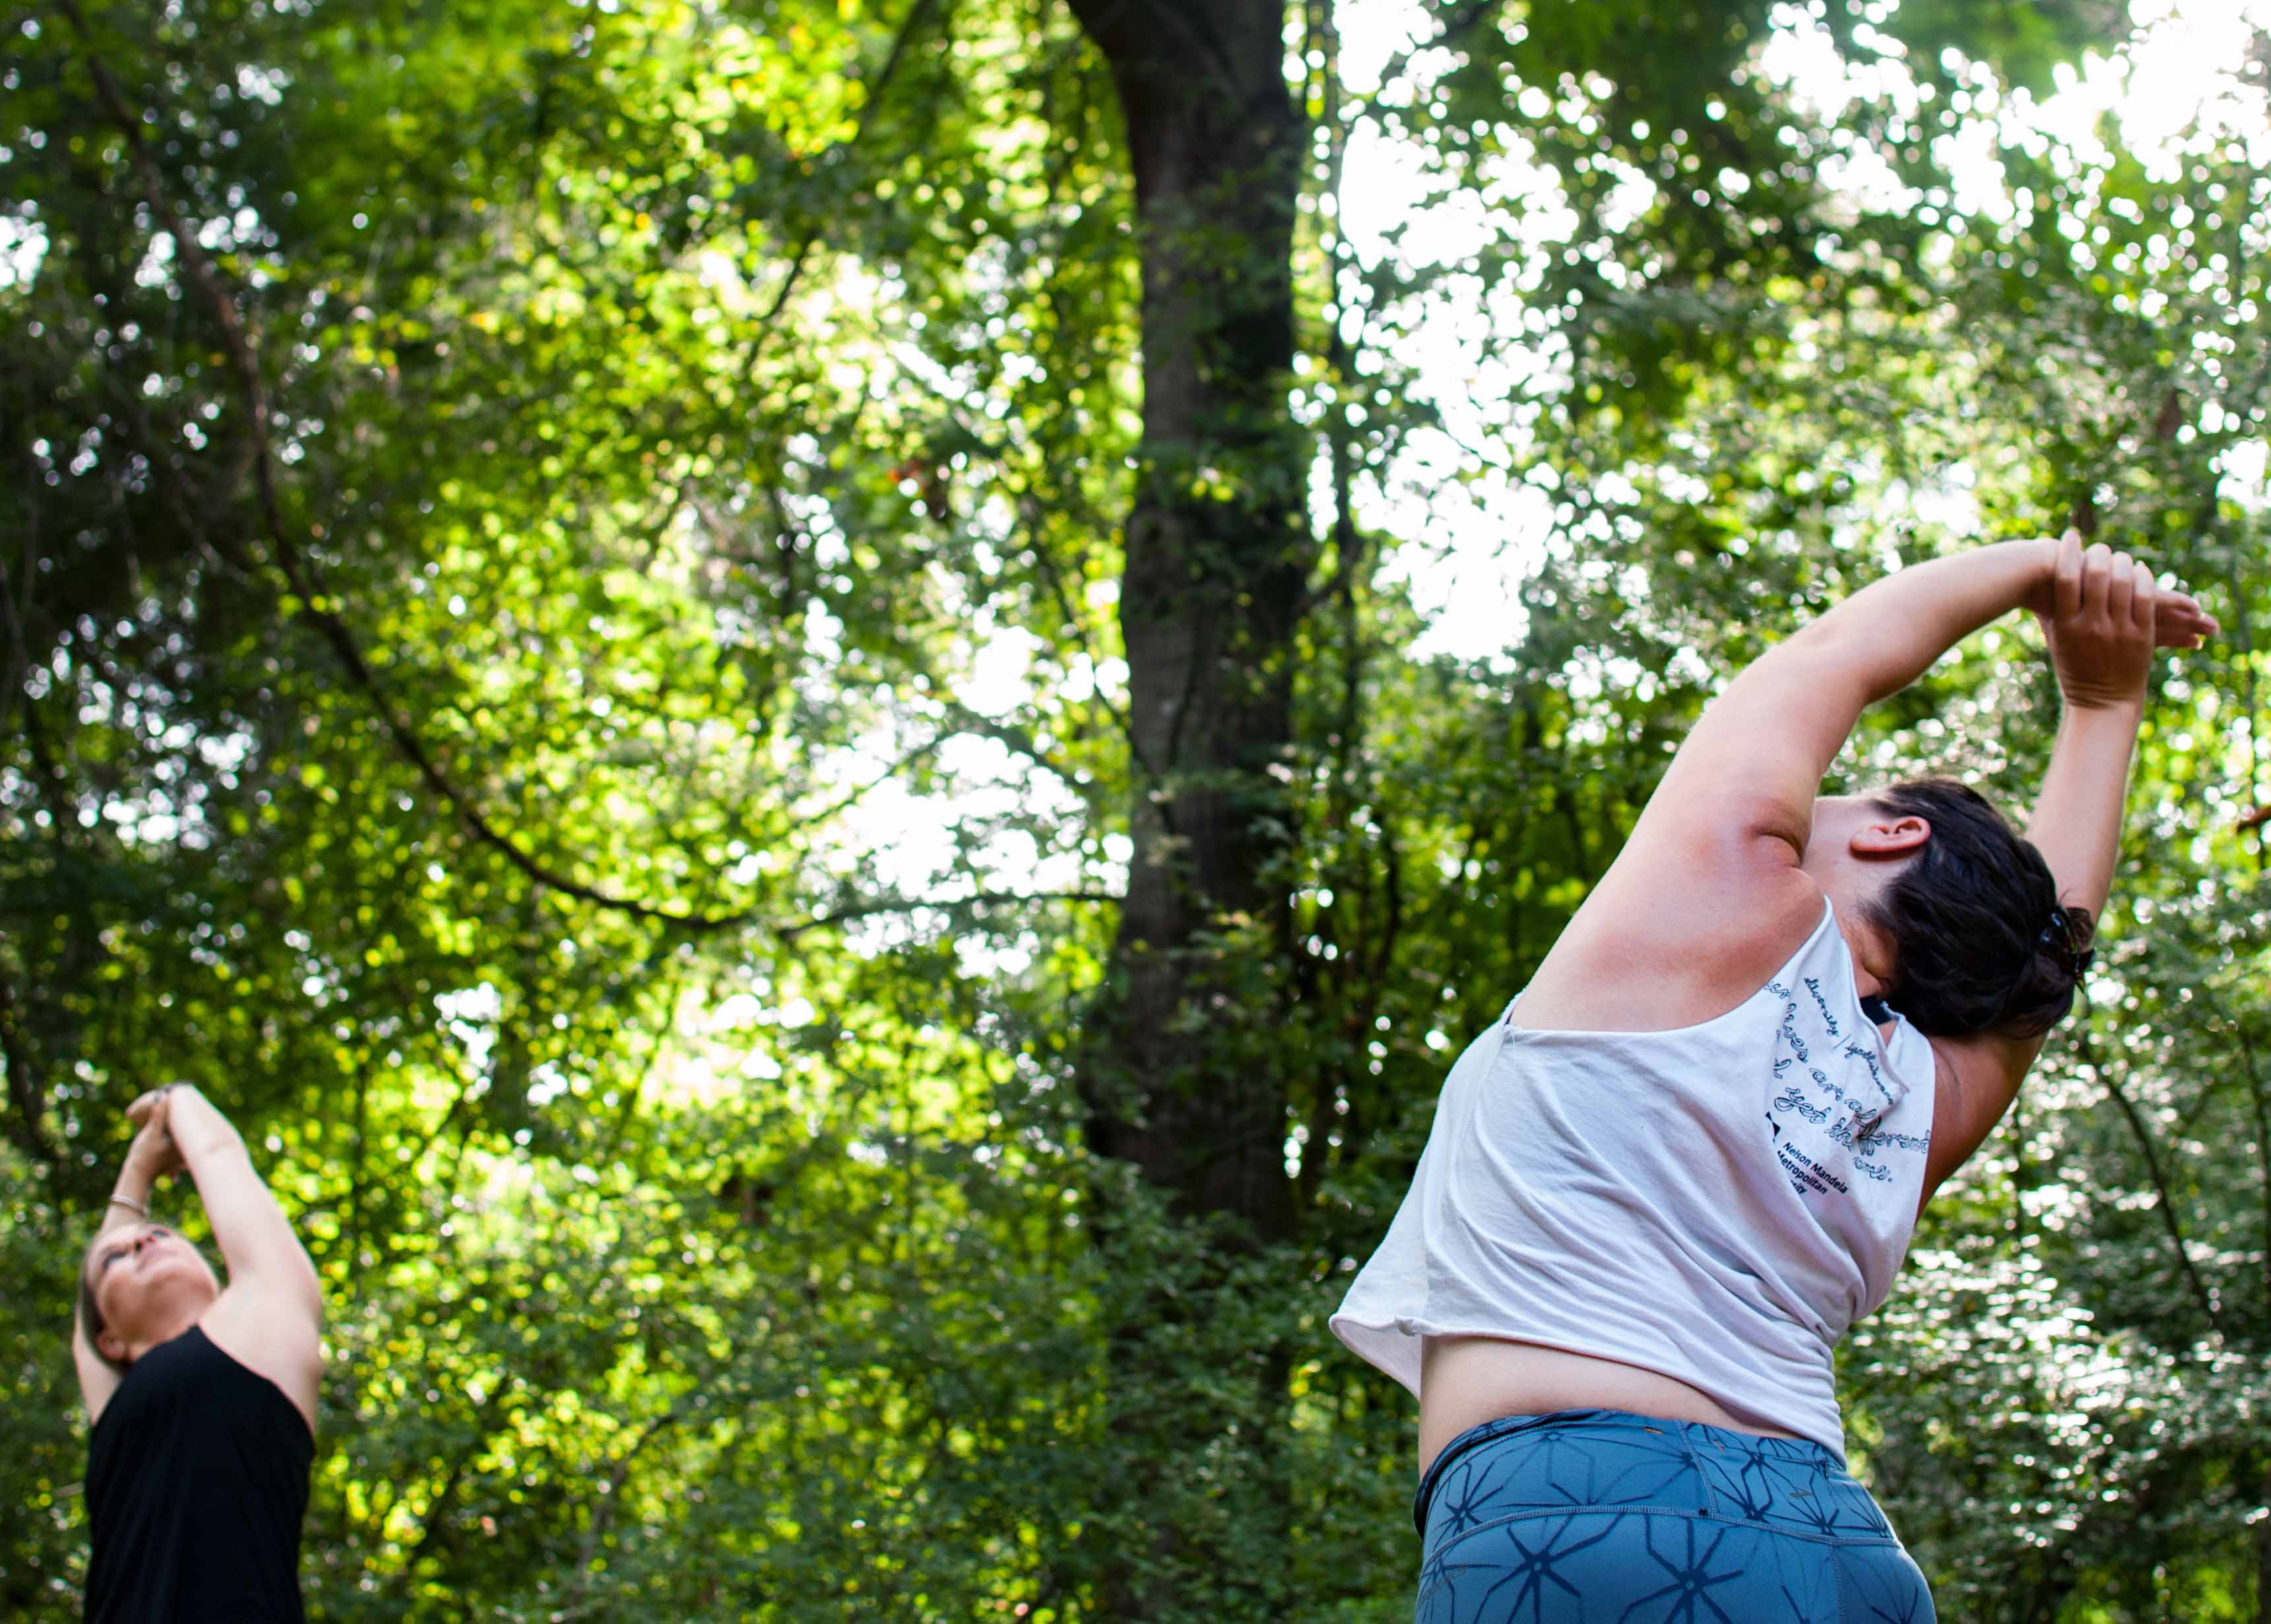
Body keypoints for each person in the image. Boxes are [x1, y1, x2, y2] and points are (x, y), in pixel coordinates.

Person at [1331, 532, 2216, 1621]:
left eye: (1851, 799)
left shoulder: (1732, 898)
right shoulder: (1915, 1101)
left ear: (1893, 834)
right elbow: (2047, 964)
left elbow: (1835, 656)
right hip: (1843, 1553)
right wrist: (2102, 703)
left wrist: (2042, 563)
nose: (1816, 807)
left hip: (1588, 1522)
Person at [74, 1083, 323, 1623]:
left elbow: (218, 1154)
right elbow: (83, 1311)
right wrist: (137, 1169)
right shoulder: (116, 1406)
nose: (141, 1243)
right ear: (109, 1341)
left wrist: (175, 1100)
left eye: (159, 1234)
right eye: (116, 1259)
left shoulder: (266, 1328)